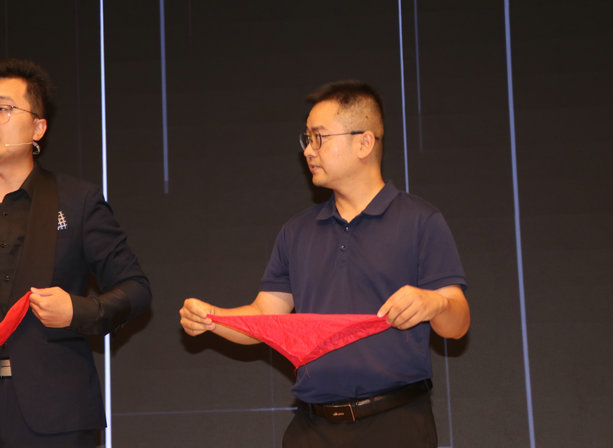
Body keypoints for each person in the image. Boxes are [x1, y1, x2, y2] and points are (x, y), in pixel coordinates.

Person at [180, 80, 469, 448]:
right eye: (307, 139)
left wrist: (435, 303)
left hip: (396, 424)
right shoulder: (296, 231)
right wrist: (213, 318)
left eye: (319, 138)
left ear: (364, 143)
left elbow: (458, 324)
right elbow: (266, 315)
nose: (308, 151)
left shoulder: (420, 221)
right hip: (312, 428)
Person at [0, 58, 151, 447]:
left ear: (38, 128)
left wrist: (77, 311)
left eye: (2, 108)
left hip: (57, 415)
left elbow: (135, 289)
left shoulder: (78, 201)